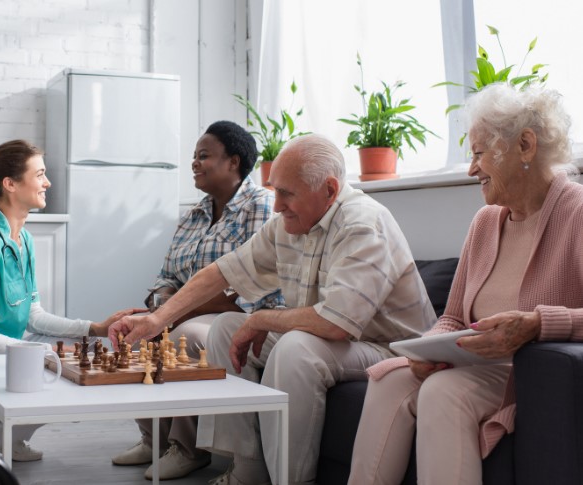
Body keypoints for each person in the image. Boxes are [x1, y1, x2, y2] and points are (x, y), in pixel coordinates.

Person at [110, 134, 436, 485]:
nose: (276, 204)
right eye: (275, 190)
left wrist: (263, 318)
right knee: (226, 328)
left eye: (286, 193)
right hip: (340, 341)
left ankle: (291, 480)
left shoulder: (362, 224)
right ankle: (246, 472)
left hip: (392, 350)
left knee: (296, 349)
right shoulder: (290, 223)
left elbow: (335, 323)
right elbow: (223, 271)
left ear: (329, 189)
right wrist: (157, 319)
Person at [347, 83, 582, 485]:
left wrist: (536, 324)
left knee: (444, 391)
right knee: (391, 379)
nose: (472, 169)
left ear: (525, 145)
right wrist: (430, 348)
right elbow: (453, 316)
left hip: (528, 373)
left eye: (478, 154)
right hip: (475, 365)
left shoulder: (576, 212)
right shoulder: (486, 222)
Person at [0, 139, 143, 462]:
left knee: (90, 352)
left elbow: (34, 316)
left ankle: (0, 432)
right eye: (40, 175)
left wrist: (95, 328)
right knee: (56, 363)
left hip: (5, 350)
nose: (48, 182)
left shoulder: (24, 240)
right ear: (11, 184)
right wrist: (42, 354)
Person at [110, 120, 283, 481]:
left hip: (237, 313)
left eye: (204, 156)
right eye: (194, 156)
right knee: (136, 333)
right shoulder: (194, 213)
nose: (195, 163)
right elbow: (166, 275)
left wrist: (176, 313)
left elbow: (253, 290)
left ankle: (188, 449)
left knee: (184, 337)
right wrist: (162, 303)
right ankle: (153, 439)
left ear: (233, 162)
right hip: (184, 310)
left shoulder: (263, 207)